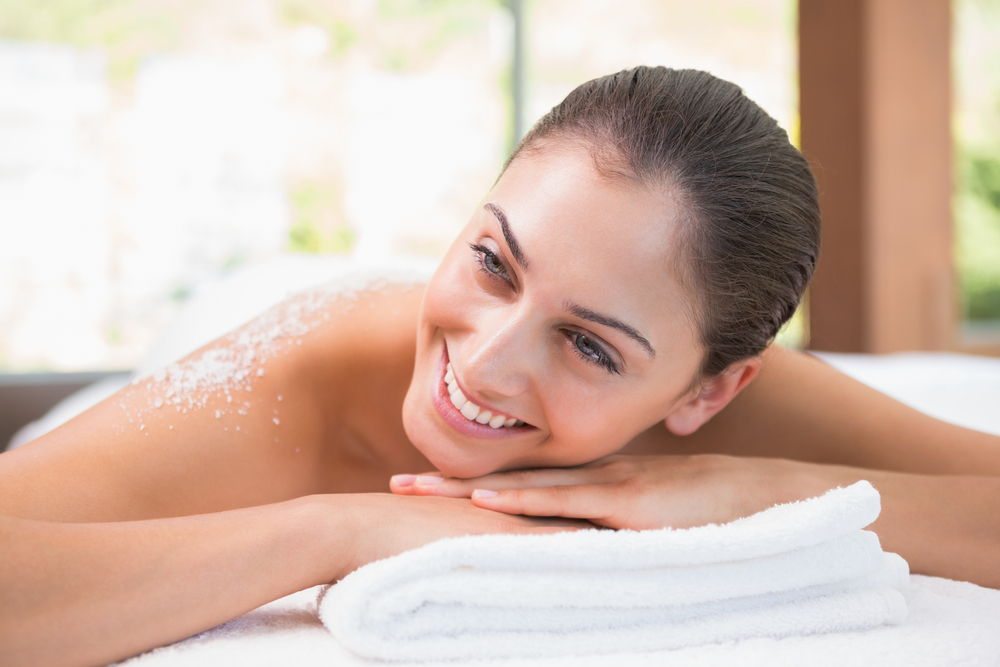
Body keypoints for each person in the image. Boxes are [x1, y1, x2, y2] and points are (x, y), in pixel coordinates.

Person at [2, 66, 999, 667]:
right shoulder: (298, 382)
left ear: (709, 389)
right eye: (493, 261)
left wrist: (750, 489)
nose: (483, 364)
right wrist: (340, 528)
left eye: (590, 344)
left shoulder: (734, 409)